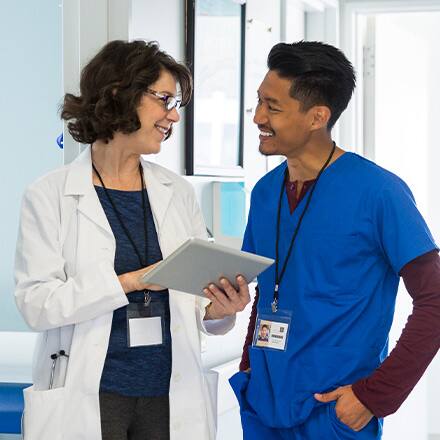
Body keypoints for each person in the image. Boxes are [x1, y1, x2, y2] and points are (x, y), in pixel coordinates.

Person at [14, 40, 250, 440]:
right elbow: (37, 305)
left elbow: (195, 303)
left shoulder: (176, 192)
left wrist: (220, 310)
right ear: (118, 93)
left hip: (170, 394)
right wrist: (130, 282)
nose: (173, 116)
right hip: (91, 393)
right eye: (163, 99)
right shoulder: (50, 194)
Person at [229, 41, 440, 440]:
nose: (258, 117)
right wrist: (248, 367)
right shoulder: (264, 192)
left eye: (272, 107)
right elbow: (267, 289)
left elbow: (435, 299)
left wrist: (375, 396)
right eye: (258, 102)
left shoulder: (379, 192)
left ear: (317, 117)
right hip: (263, 405)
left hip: (334, 412)